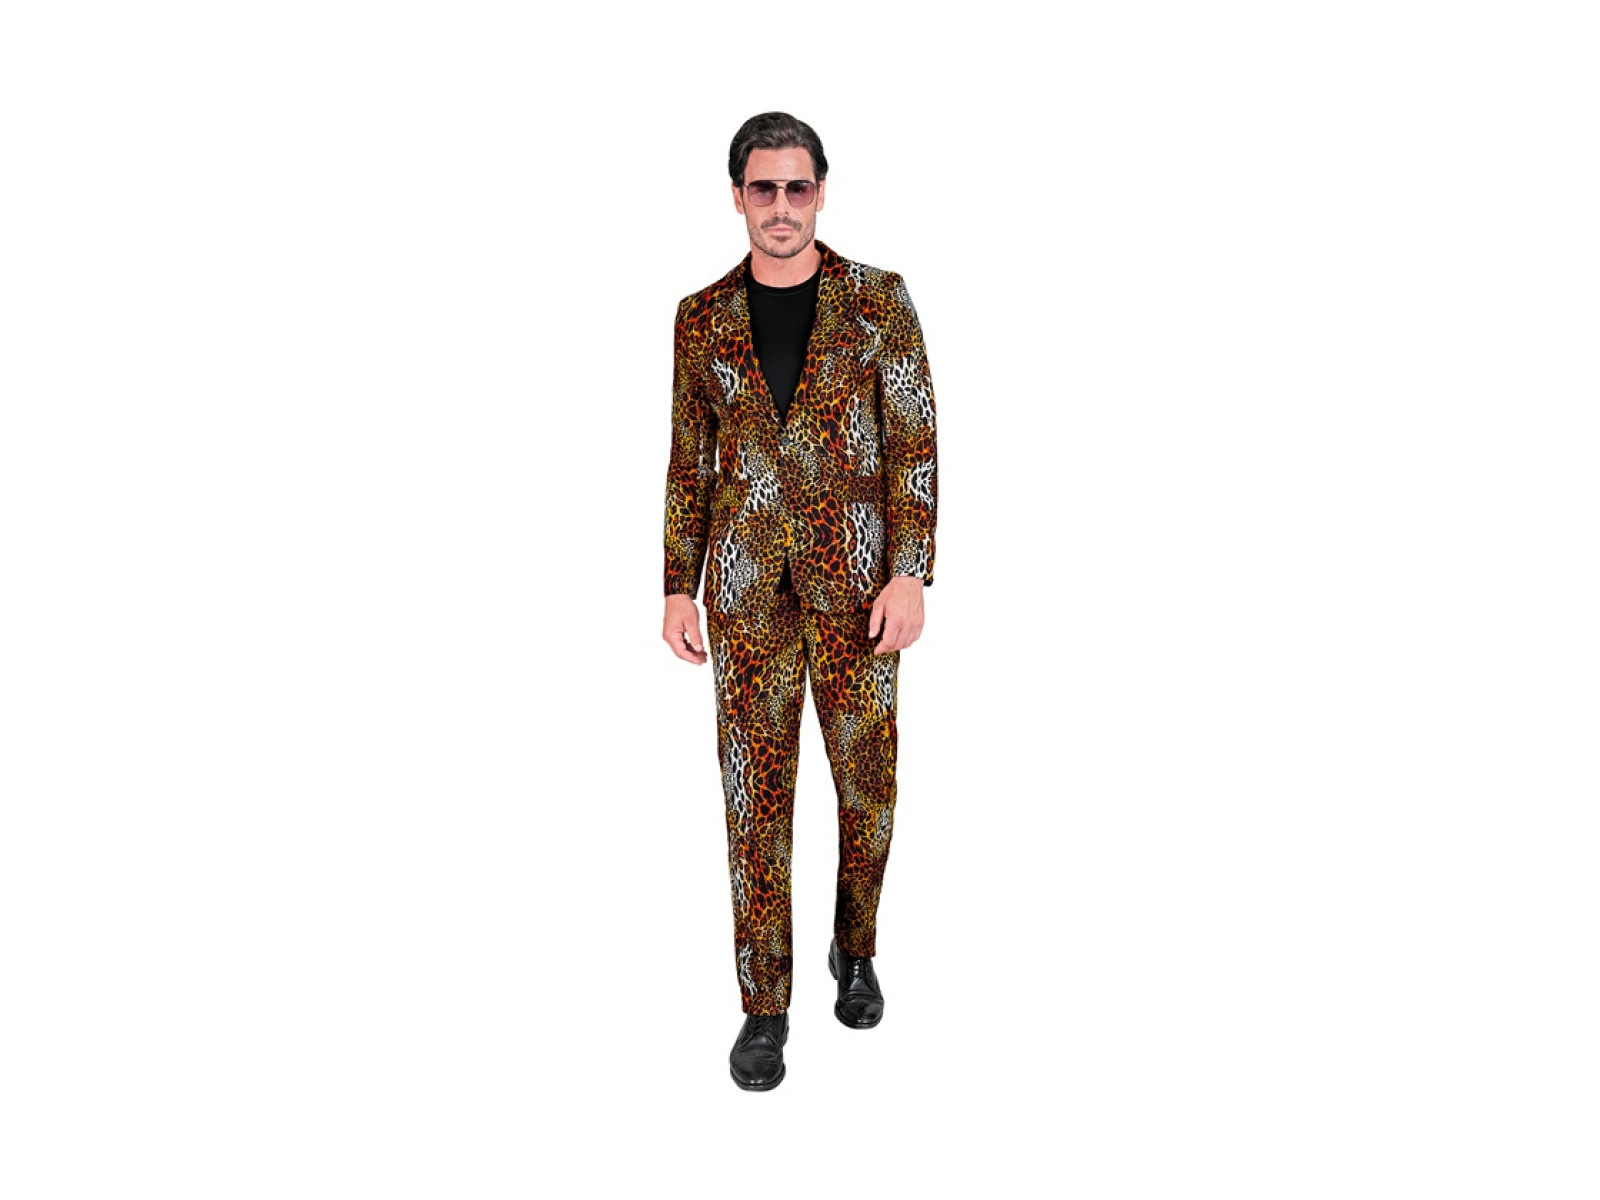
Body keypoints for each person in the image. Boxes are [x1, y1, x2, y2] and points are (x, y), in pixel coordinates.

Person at [660, 112, 938, 1091]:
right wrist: (677, 583)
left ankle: (854, 949)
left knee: (868, 787)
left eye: (797, 187)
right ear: (738, 196)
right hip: (745, 595)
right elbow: (689, 460)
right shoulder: (701, 317)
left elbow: (912, 441)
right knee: (753, 798)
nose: (781, 207)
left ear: (820, 192)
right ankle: (763, 1005)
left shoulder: (878, 301)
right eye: (763, 188)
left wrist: (911, 570)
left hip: (860, 589)